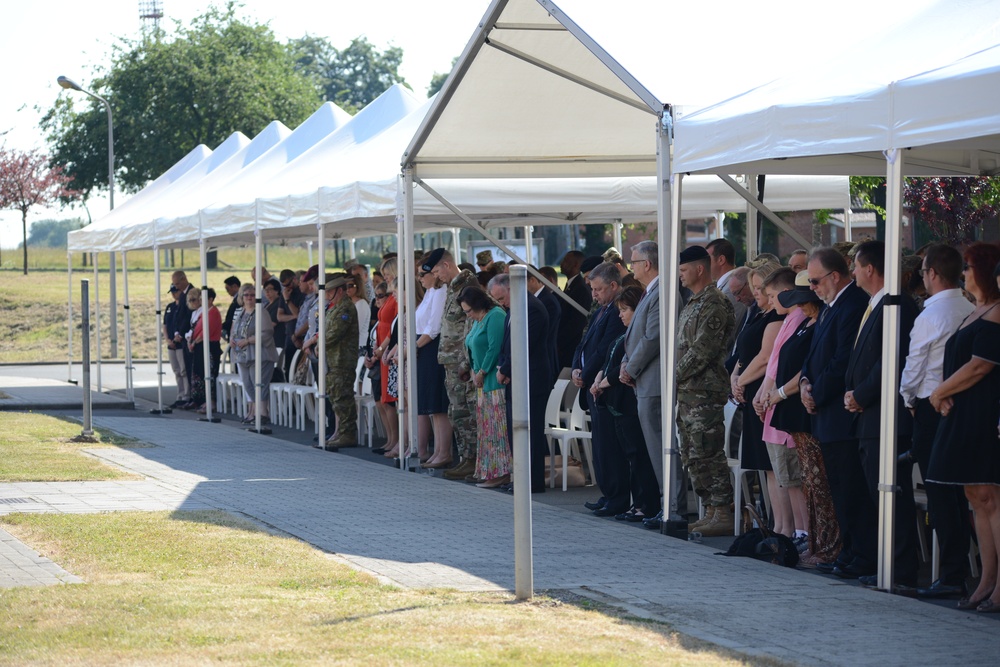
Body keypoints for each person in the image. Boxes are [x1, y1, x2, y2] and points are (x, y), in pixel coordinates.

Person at [927, 242, 1000, 612]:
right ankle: (986, 579)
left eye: (969, 266)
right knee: (975, 497)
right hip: (963, 413)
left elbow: (981, 365)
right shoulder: (976, 310)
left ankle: (999, 584)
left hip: (984, 416)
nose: (964, 273)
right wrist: (943, 394)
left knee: (991, 497)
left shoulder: (998, 312)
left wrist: (939, 392)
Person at [843, 240, 920, 588]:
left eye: (856, 266)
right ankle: (886, 563)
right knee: (878, 496)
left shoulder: (897, 304)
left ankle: (900, 569)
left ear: (870, 268)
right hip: (869, 418)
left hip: (885, 418)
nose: (853, 273)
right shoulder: (875, 304)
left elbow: (892, 358)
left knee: (892, 495)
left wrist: (861, 394)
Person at [900, 244, 974, 598]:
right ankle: (961, 567)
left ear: (930, 274)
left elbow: (915, 363)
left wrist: (906, 397)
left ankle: (951, 572)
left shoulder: (931, 314)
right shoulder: (971, 307)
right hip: (965, 402)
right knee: (960, 492)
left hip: (930, 405)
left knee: (940, 492)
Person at [800, 246, 872, 578]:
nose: (811, 288)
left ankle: (863, 554)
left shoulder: (852, 304)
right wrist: (803, 381)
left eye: (815, 281)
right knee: (839, 489)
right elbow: (813, 355)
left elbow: (843, 358)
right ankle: (849, 551)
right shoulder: (830, 308)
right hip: (824, 414)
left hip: (842, 415)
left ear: (834, 276)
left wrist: (817, 390)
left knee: (852, 489)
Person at [770, 271, 842, 566]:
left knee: (818, 483)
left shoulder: (818, 323)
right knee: (810, 483)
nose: (798, 305)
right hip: (797, 414)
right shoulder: (809, 322)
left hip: (808, 412)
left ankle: (827, 546)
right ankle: (815, 543)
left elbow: (809, 367)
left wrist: (783, 393)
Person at [676, 245, 735, 536]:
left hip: (705, 392)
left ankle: (722, 512)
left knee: (709, 452)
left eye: (684, 270)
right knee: (693, 453)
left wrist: (672, 376)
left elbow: (703, 350)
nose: (680, 276)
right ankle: (711, 510)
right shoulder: (693, 302)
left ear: (700, 269)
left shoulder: (714, 303)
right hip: (688, 393)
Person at [593, 285, 661, 522]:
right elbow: (613, 359)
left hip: (629, 402)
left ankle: (647, 503)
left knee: (640, 455)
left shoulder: (632, 335)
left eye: (625, 310)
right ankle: (638, 503)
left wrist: (605, 382)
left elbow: (625, 363)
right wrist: (602, 376)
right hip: (618, 405)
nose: (621, 315)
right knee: (631, 456)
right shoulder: (623, 335)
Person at [755, 268, 810, 545]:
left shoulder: (799, 318)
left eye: (773, 296)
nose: (770, 301)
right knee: (783, 477)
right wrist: (765, 391)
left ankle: (802, 531)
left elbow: (783, 365)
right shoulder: (789, 319)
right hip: (775, 407)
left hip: (786, 406)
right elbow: (774, 364)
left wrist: (773, 392)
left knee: (794, 478)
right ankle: (788, 529)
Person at [731, 259, 787, 528]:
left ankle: (782, 525)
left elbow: (765, 358)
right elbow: (745, 353)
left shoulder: (777, 317)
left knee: (774, 466)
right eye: (752, 287)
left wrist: (740, 379)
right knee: (766, 467)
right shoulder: (758, 314)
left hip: (763, 394)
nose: (755, 292)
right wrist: (735, 377)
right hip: (750, 392)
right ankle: (775, 524)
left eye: (759, 287)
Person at [619, 241, 672, 527]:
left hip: (653, 381)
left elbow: (653, 338)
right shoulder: (652, 292)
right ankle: (665, 505)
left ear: (647, 265)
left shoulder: (661, 293)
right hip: (644, 380)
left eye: (634, 262)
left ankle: (670, 507)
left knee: (659, 447)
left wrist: (632, 367)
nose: (631, 267)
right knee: (653, 449)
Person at [573, 262, 629, 517]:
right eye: (592, 289)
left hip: (604, 387)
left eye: (598, 289)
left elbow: (605, 349)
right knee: (600, 446)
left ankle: (617, 497)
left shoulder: (618, 312)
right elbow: (583, 343)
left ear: (613, 286)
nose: (593, 295)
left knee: (609, 447)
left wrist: (585, 375)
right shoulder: (601, 310)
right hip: (590, 384)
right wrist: (576, 367)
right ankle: (607, 494)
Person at [491, 273, 551, 493]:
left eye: (501, 298)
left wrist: (505, 369)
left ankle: (532, 482)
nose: (501, 304)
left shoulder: (531, 308)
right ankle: (521, 478)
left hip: (531, 379)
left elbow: (524, 344)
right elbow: (506, 343)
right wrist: (502, 366)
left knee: (531, 432)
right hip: (515, 378)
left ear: (511, 288)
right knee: (515, 431)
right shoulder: (513, 308)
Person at [425, 248, 481, 481]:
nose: (437, 276)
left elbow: (472, 325)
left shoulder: (468, 287)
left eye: (437, 270)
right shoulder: (454, 288)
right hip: (451, 361)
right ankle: (466, 458)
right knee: (457, 412)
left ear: (447, 265)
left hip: (461, 363)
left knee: (466, 413)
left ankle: (473, 460)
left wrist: (466, 363)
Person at [459, 285, 511, 488]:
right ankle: (488, 470)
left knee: (497, 431)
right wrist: (473, 370)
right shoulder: (478, 320)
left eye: (468, 310)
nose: (468, 315)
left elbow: (494, 347)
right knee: (487, 431)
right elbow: (472, 346)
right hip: (482, 383)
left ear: (478, 304)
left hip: (493, 382)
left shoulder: (495, 316)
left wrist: (481, 372)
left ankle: (501, 472)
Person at [415, 264, 452, 467]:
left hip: (431, 347)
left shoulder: (440, 292)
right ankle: (438, 450)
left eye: (423, 274)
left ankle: (443, 451)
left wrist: (414, 346)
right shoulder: (430, 292)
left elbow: (434, 327)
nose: (419, 278)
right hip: (423, 345)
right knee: (431, 406)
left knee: (437, 403)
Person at [230, 283, 277, 425]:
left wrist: (248, 341)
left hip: (260, 354)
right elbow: (234, 329)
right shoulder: (240, 312)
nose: (249, 298)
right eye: (246, 295)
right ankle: (253, 412)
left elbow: (267, 333)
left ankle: (262, 413)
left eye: (252, 295)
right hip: (242, 355)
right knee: (247, 383)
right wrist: (232, 339)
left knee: (259, 383)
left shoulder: (261, 311)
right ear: (241, 297)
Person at [323, 274, 359, 450]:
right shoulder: (334, 307)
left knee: (343, 397)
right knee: (336, 397)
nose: (326, 294)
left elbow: (335, 333)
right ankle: (340, 432)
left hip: (342, 359)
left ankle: (348, 433)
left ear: (338, 291)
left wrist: (319, 343)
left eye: (329, 291)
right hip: (333, 359)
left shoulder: (345, 308)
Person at [371, 259, 399, 457]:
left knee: (391, 399)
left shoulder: (396, 296)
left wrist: (382, 347)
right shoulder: (390, 295)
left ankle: (396, 440)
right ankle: (391, 439)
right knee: (384, 399)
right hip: (383, 351)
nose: (385, 278)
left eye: (387, 274)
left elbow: (395, 327)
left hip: (389, 350)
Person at [185, 287, 223, 413]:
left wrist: (194, 342)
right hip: (200, 347)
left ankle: (211, 403)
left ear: (211, 299)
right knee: (201, 374)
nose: (201, 301)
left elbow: (206, 332)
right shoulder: (204, 312)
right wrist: (192, 341)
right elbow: (196, 328)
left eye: (203, 299)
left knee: (209, 375)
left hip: (210, 347)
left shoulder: (213, 313)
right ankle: (203, 401)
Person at [557, 250, 592, 371]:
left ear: (577, 265)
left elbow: (576, 322)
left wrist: (559, 342)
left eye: (566, 261)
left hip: (570, 349)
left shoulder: (580, 289)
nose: (562, 263)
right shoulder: (571, 285)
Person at [526, 266, 561, 382]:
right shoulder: (538, 300)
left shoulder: (547, 301)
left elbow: (541, 335)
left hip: (542, 362)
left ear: (532, 280)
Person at [707, 238, 748, 338]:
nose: (705, 265)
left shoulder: (731, 289)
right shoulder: (725, 286)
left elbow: (729, 333)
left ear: (721, 260)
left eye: (707, 259)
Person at [164, 284, 190, 407]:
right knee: (177, 371)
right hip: (171, 343)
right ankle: (180, 395)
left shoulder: (184, 305)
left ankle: (186, 395)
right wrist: (168, 340)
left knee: (183, 370)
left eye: (176, 291)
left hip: (180, 343)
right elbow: (165, 325)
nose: (174, 294)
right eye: (172, 292)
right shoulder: (170, 307)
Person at [220, 276, 241, 342]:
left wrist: (221, 326)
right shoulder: (236, 299)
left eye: (228, 289)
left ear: (235, 286)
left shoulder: (239, 300)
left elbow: (233, 318)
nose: (227, 292)